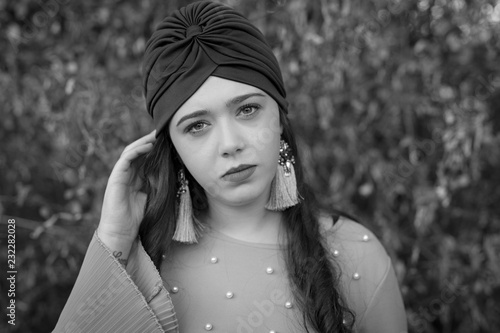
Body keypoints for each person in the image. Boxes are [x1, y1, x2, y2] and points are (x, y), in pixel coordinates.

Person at [53, 1, 407, 332]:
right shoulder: (139, 266)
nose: (230, 144)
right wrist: (114, 242)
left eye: (248, 109)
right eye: (197, 126)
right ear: (172, 147)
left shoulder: (357, 255)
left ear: (280, 118)